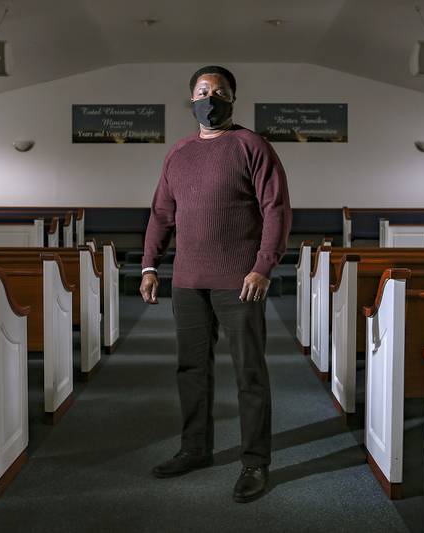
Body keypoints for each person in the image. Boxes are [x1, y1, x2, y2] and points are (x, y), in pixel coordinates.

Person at [140, 65, 292, 503]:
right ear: (191, 100)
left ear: (233, 100)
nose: (212, 97)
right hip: (187, 281)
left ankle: (255, 462)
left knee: (249, 373)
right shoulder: (178, 154)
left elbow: (276, 210)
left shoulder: (252, 146)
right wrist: (150, 266)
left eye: (220, 91)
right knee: (191, 370)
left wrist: (264, 266)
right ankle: (194, 448)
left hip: (239, 281)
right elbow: (161, 215)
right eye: (204, 91)